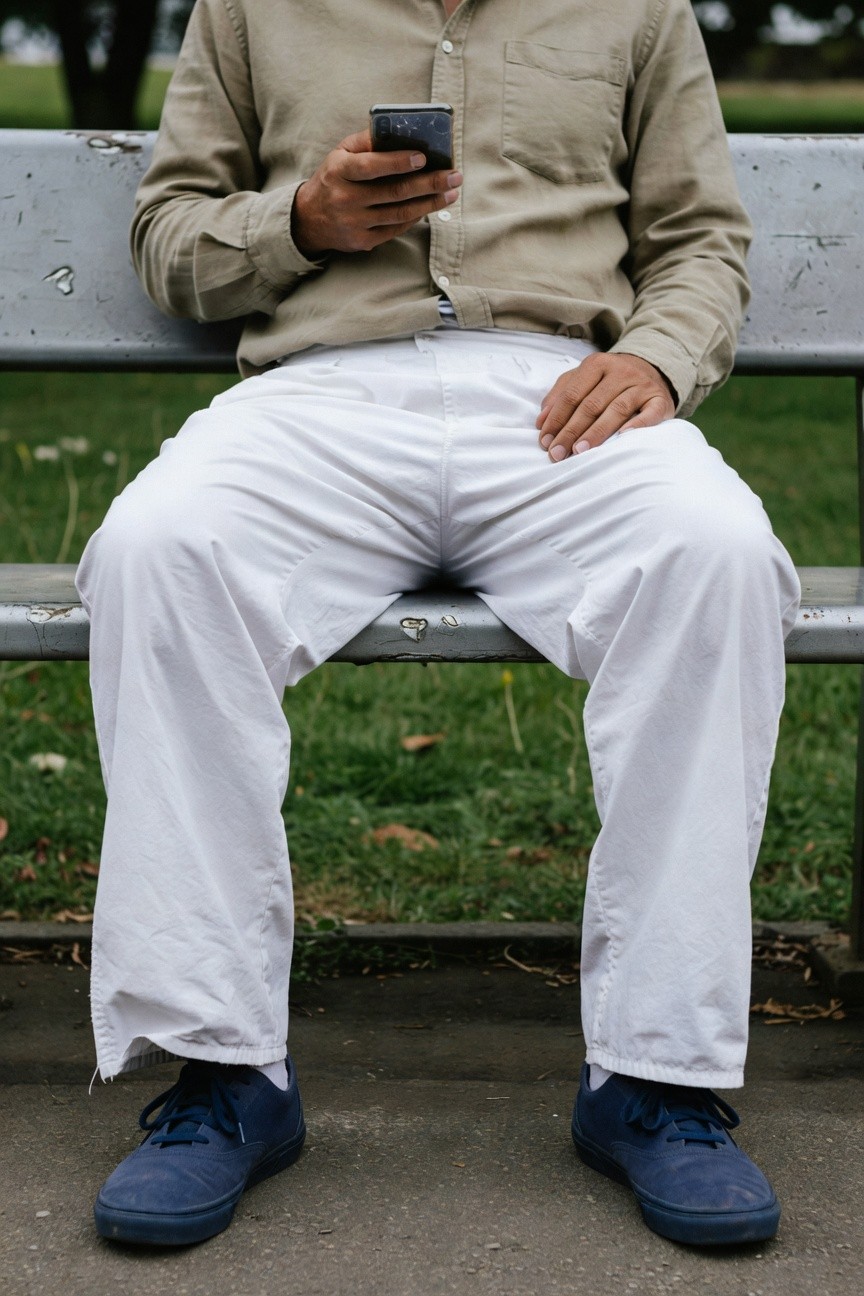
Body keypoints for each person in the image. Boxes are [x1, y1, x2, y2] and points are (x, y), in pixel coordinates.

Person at [77, 0, 801, 1249]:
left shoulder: (642, 7)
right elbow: (169, 238)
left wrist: (659, 359)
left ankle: (655, 1077)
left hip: (561, 393)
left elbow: (698, 241)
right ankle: (224, 1071)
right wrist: (302, 222)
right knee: (158, 549)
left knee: (717, 554)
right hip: (322, 392)